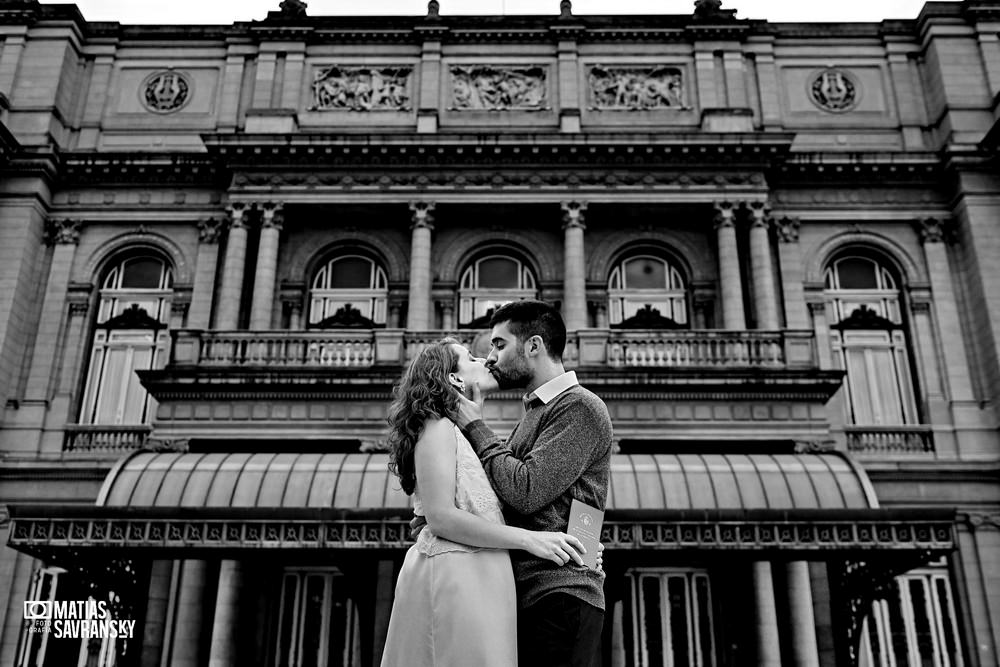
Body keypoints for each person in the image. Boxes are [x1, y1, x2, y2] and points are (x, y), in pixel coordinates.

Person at [380, 338, 591, 667]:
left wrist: (579, 541)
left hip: (485, 579)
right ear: (453, 378)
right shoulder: (437, 426)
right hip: (458, 575)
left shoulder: (462, 431)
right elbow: (441, 518)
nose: (487, 360)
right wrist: (532, 539)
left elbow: (503, 505)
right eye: (472, 357)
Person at [452, 300, 614, 667]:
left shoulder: (579, 406)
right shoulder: (537, 412)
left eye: (498, 344)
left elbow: (525, 492)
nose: (490, 357)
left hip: (559, 596)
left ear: (534, 345)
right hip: (532, 592)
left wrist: (476, 426)